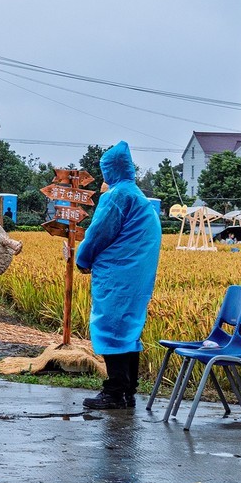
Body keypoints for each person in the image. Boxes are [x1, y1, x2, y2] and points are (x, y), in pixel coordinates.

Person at [75, 141, 162, 410]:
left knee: (111, 327)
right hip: (136, 274)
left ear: (110, 170)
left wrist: (83, 258)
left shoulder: (116, 196)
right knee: (128, 330)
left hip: (118, 274)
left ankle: (113, 392)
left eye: (104, 170)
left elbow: (100, 232)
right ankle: (127, 391)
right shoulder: (136, 195)